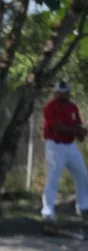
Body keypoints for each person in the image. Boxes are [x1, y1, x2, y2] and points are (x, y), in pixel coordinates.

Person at [41, 80, 88, 221]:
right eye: (60, 92)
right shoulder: (51, 106)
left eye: (65, 92)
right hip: (55, 145)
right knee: (53, 177)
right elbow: (57, 127)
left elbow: (78, 125)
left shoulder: (73, 107)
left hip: (70, 145)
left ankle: (83, 207)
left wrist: (82, 132)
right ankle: (48, 211)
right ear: (56, 92)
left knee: (82, 174)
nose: (62, 95)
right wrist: (76, 131)